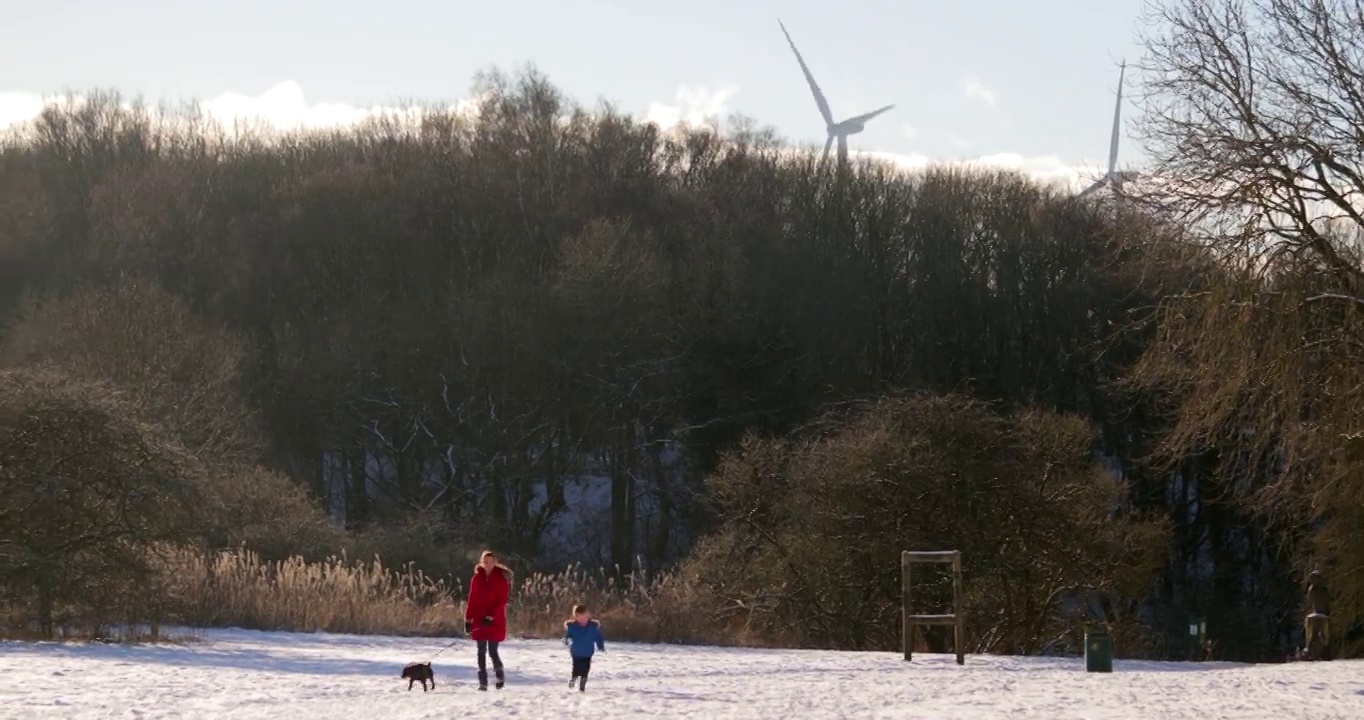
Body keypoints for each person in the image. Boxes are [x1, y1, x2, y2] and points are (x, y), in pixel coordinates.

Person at [465, 550, 512, 690]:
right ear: (481, 562)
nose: (488, 564)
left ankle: (499, 675)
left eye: (491, 562)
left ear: (496, 562)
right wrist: (468, 619)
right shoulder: (476, 579)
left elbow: (502, 601)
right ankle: (483, 682)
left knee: (492, 651)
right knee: (480, 651)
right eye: (485, 562)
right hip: (479, 619)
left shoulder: (502, 579)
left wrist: (491, 616)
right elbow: (472, 599)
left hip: (495, 620)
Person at [562, 604, 606, 692]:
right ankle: (573, 679)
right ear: (576, 617)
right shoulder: (573, 627)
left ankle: (582, 687)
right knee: (576, 668)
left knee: (585, 670)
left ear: (588, 616)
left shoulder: (593, 627)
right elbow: (567, 636)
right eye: (580, 618)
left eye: (585, 617)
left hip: (588, 652)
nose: (583, 620)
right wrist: (565, 640)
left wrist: (600, 646)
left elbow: (598, 637)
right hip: (576, 652)